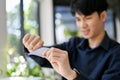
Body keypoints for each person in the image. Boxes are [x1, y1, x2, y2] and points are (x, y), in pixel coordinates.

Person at [22, 0, 120, 80]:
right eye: (78, 19)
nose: (82, 25)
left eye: (88, 18)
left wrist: (71, 75)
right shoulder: (73, 45)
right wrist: (33, 48)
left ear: (103, 16)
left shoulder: (116, 53)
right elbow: (44, 58)